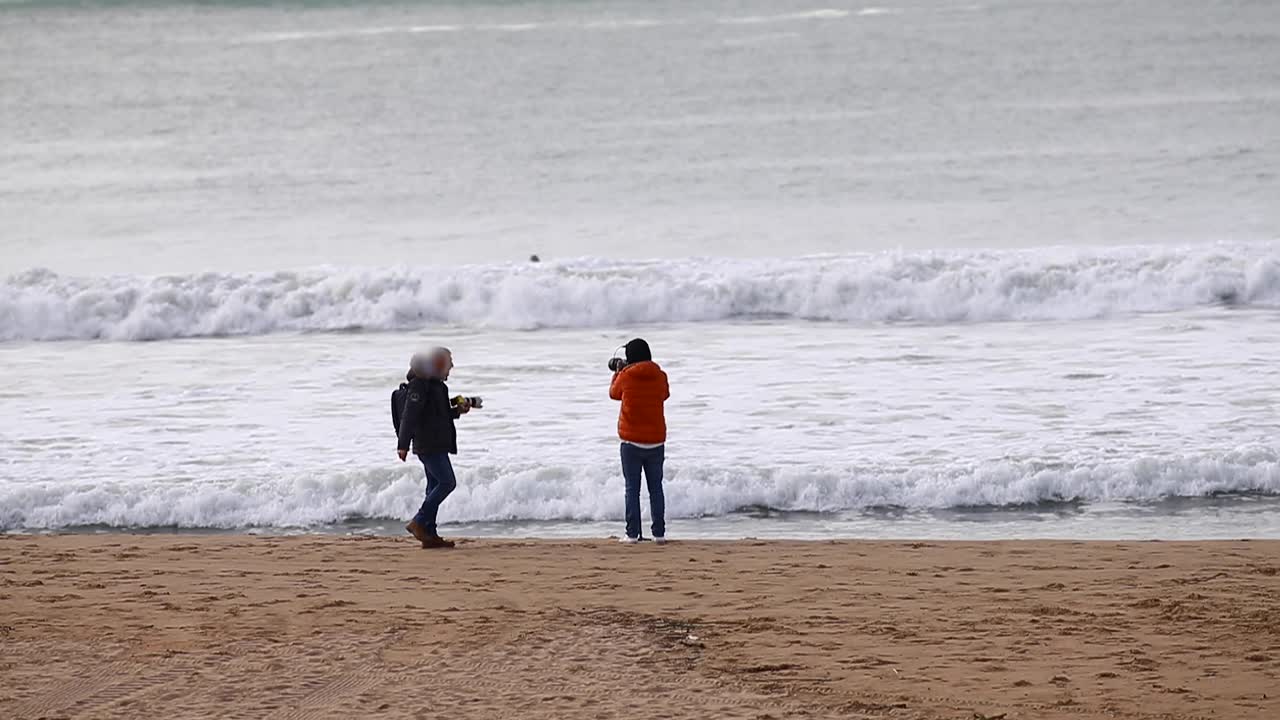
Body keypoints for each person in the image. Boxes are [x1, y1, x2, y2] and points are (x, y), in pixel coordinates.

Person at [396, 347, 471, 549]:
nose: (452, 366)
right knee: (447, 483)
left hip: (436, 442)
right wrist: (402, 444)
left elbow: (439, 413)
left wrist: (458, 410)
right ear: (438, 362)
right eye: (449, 362)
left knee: (433, 487)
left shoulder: (435, 385)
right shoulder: (420, 385)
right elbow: (409, 415)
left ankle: (429, 534)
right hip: (428, 444)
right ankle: (419, 522)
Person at [609, 338, 671, 544]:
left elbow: (614, 394)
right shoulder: (660, 376)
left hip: (631, 441)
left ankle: (632, 534)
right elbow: (665, 394)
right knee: (656, 489)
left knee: (632, 489)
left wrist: (618, 372)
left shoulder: (626, 376)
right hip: (655, 441)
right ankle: (659, 534)